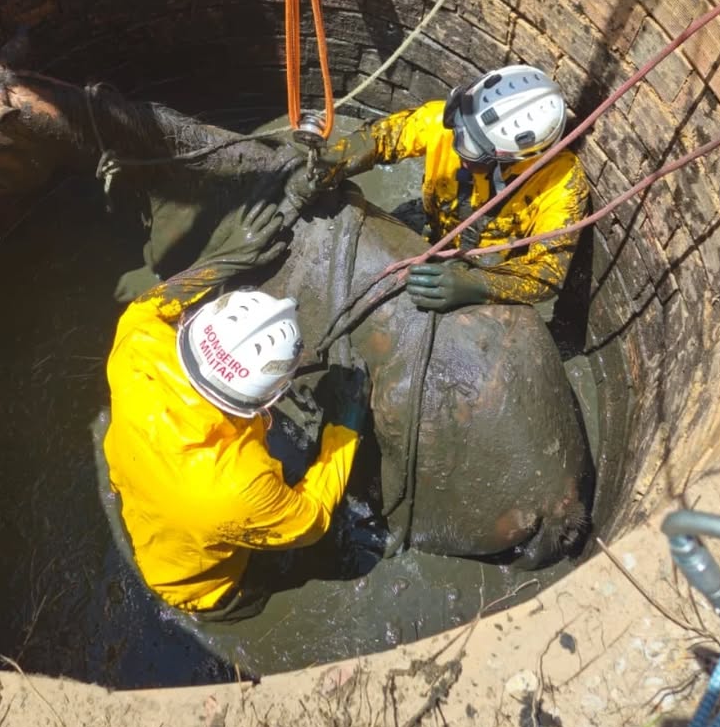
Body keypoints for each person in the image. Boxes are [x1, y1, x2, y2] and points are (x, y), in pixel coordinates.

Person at [103, 200, 370, 618]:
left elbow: (151, 303)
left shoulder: (135, 346)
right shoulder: (242, 485)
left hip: (140, 492)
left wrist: (226, 258)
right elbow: (311, 521)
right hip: (194, 585)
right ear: (265, 400)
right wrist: (343, 430)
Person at [286, 64, 589, 313]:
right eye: (459, 130)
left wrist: (478, 286)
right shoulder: (444, 122)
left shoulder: (562, 184)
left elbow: (547, 274)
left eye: (471, 150)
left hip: (490, 266)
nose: (456, 146)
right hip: (434, 226)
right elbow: (382, 138)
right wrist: (332, 163)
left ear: (510, 159)